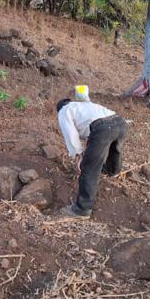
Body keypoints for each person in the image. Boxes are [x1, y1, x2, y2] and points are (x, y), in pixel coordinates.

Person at [56, 89, 129, 218]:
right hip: (120, 122)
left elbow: (71, 134)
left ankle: (82, 209)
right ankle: (112, 170)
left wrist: (79, 157)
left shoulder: (64, 111)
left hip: (103, 128)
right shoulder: (83, 105)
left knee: (89, 168)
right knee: (114, 150)